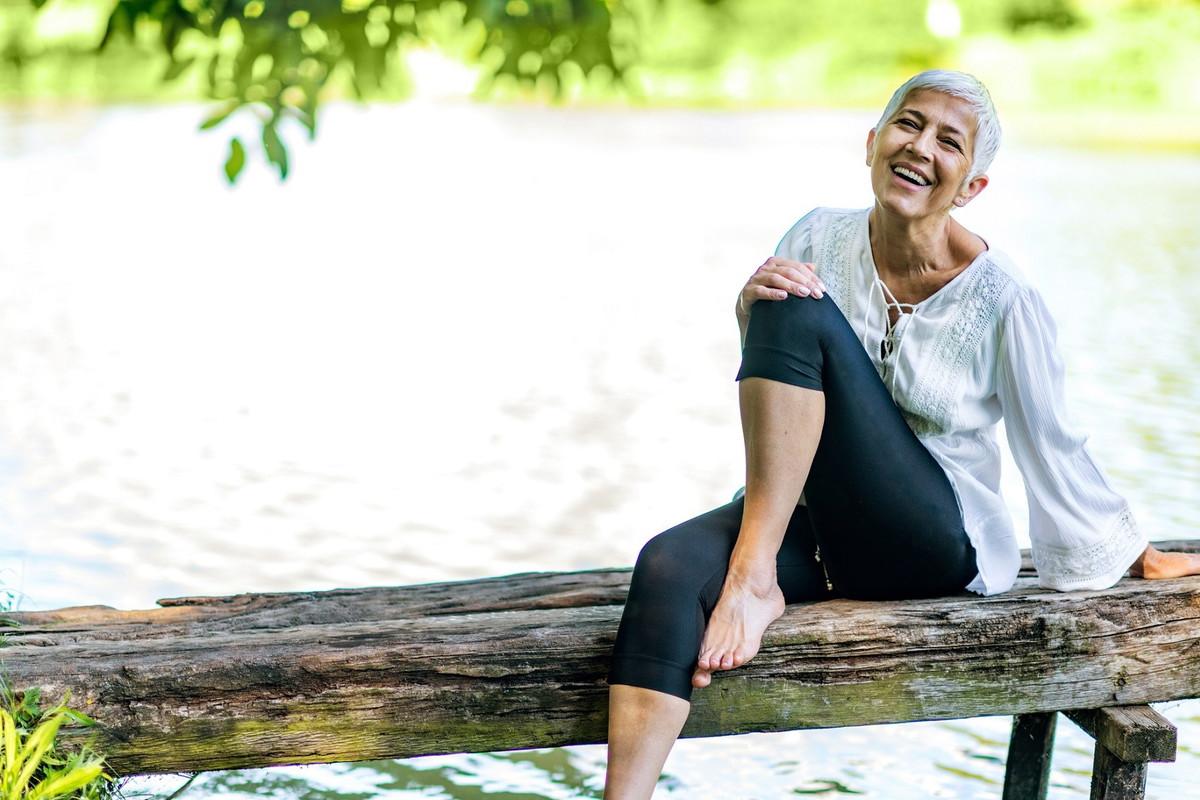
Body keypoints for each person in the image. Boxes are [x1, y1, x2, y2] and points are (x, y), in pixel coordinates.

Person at [600, 69, 1200, 800]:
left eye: (950, 141)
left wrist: (1134, 550)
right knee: (665, 565)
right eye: (908, 124)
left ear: (972, 186)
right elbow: (783, 384)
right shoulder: (820, 233)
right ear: (872, 142)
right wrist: (745, 309)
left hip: (929, 542)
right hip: (822, 526)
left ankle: (754, 580)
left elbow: (1055, 444)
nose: (921, 146)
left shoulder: (1004, 297)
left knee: (795, 302)